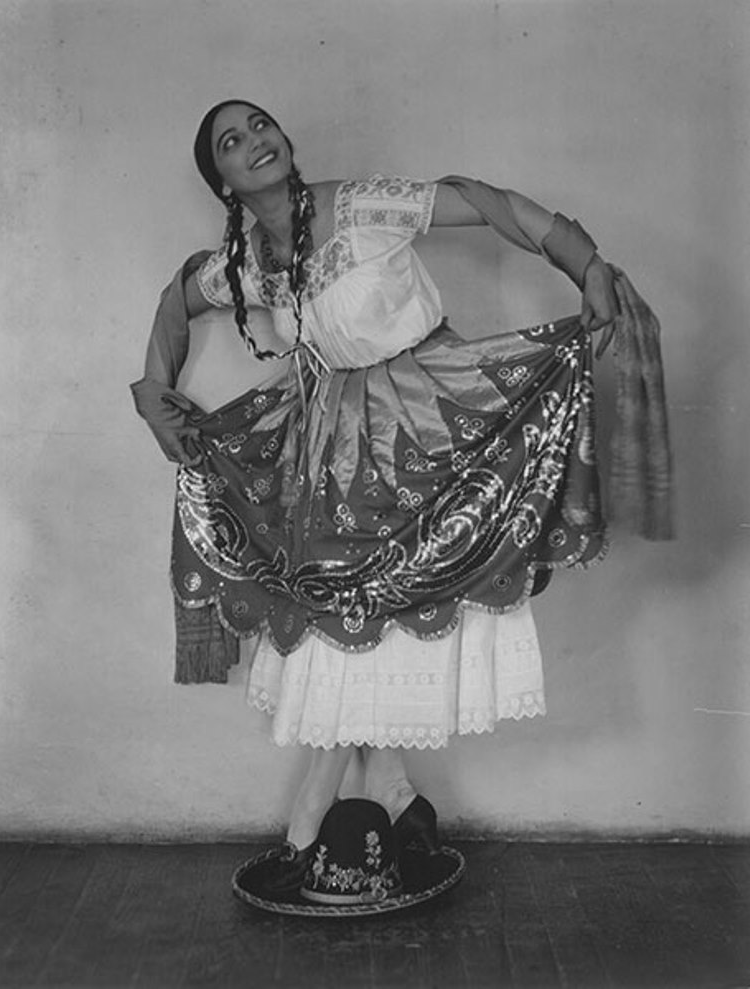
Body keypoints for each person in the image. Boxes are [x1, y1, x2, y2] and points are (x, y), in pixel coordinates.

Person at [132, 99, 627, 893]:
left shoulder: (358, 205)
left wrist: (586, 262)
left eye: (260, 125)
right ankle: (399, 799)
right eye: (232, 141)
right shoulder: (248, 264)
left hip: (430, 423)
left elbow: (485, 202)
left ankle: (308, 825)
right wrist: (155, 393)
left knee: (368, 618)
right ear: (220, 180)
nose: (255, 140)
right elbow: (175, 300)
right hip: (332, 451)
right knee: (343, 619)